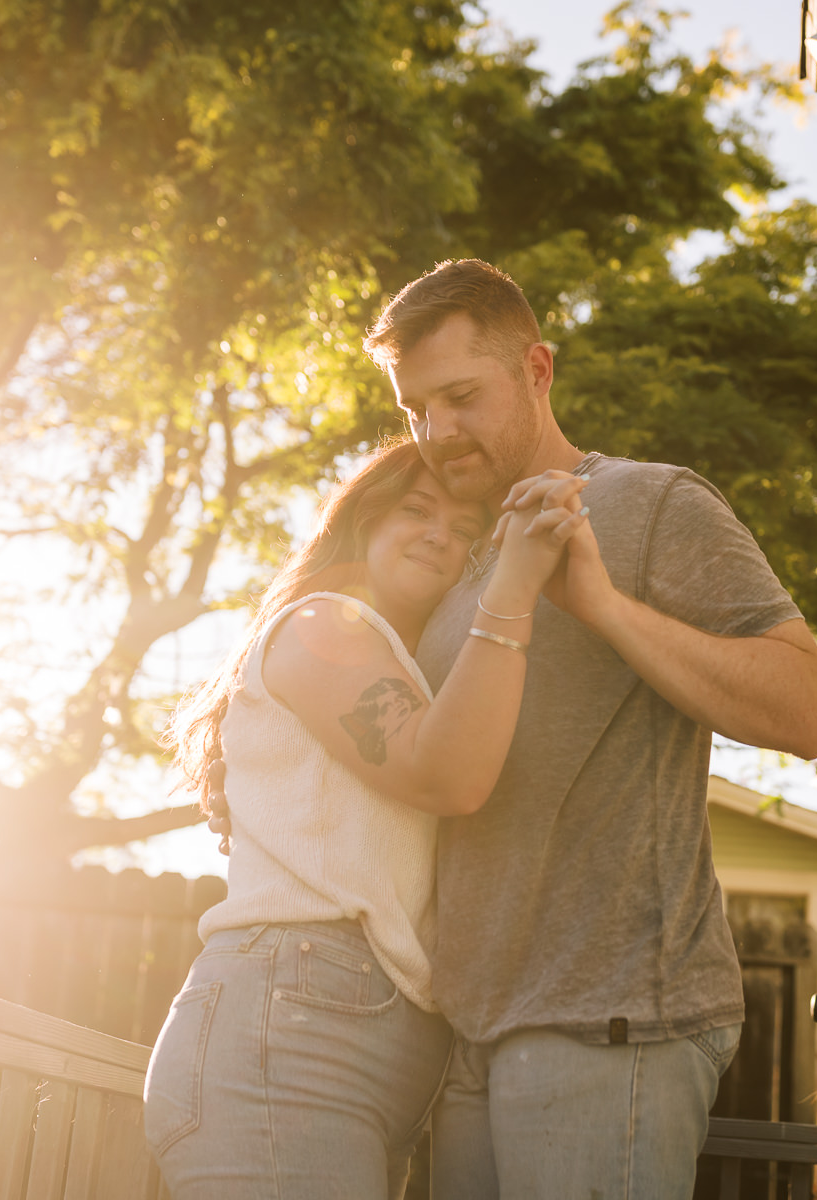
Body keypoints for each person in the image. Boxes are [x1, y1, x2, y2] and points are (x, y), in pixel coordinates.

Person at [361, 259, 817, 1199]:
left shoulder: (651, 502)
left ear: (537, 370)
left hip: (610, 1016)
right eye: (416, 409)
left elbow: (808, 709)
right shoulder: (451, 556)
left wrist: (608, 610)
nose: (438, 432)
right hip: (471, 1028)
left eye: (461, 395)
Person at [143, 437, 589, 1199]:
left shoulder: (405, 665)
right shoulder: (325, 622)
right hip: (286, 1036)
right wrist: (514, 580)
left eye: (463, 527)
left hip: (357, 1044)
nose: (440, 535)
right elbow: (445, 772)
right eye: (416, 510)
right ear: (362, 524)